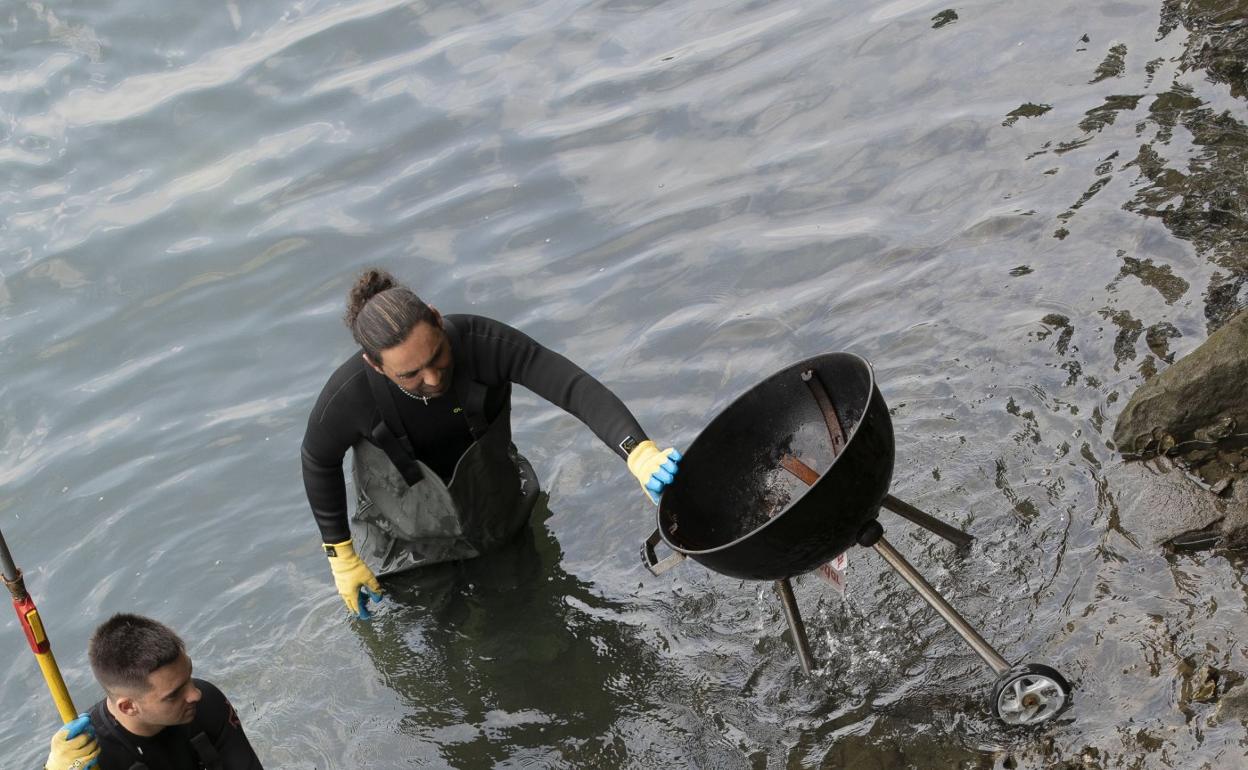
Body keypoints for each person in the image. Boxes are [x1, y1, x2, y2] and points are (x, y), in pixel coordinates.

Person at [301, 268, 682, 617]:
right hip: (404, 542)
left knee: (530, 615)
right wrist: (341, 555)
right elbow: (318, 459)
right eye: (411, 375)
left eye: (437, 356)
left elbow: (573, 388)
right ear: (376, 365)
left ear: (436, 318)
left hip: (495, 513)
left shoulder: (481, 343)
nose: (433, 379)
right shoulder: (349, 394)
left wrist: (638, 452)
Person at [43, 613, 264, 770]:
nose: (195, 694)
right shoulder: (92, 758)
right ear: (128, 706)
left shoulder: (206, 703)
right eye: (174, 694)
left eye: (189, 675)